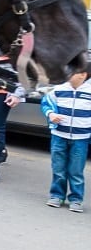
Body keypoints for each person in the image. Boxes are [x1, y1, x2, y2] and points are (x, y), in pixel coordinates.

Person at [41, 65, 91, 212]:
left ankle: (76, 199)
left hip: (81, 138)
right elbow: (46, 103)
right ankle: (57, 195)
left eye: (73, 73)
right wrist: (51, 114)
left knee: (76, 170)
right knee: (58, 168)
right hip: (59, 136)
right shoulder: (59, 89)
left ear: (83, 75)